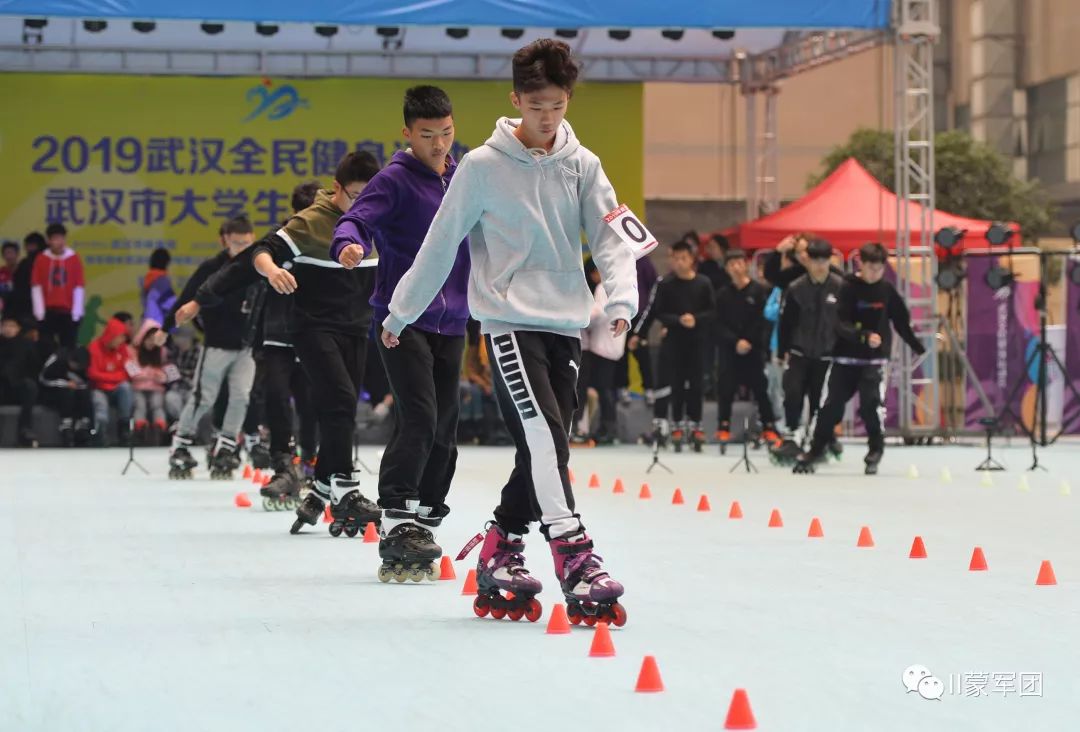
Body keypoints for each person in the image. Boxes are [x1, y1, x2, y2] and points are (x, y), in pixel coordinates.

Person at [381, 38, 637, 623]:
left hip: (565, 323)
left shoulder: (583, 164)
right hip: (508, 323)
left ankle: (501, 545)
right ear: (516, 99)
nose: (547, 118)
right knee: (544, 435)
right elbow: (440, 245)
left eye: (558, 106)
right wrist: (401, 313)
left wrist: (621, 299)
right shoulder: (481, 167)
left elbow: (610, 237)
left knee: (549, 443)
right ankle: (574, 552)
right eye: (537, 105)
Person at [178, 153, 383, 531]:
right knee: (321, 399)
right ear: (337, 188)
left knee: (339, 409)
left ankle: (320, 489)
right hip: (310, 328)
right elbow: (253, 257)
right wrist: (266, 273)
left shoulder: (377, 219)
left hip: (356, 329)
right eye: (356, 196)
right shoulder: (310, 223)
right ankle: (339, 487)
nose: (363, 204)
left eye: (370, 196)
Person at [333, 85, 470, 579]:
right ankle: (395, 514)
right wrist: (348, 245)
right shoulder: (393, 180)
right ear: (407, 133)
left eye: (446, 132)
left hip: (454, 320)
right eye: (428, 135)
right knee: (420, 417)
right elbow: (356, 220)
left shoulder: (463, 176)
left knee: (447, 425)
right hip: (401, 319)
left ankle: (426, 511)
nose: (439, 144)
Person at [193, 181, 321, 496]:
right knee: (275, 398)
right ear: (295, 214)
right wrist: (204, 295)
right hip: (277, 334)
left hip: (316, 335)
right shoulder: (279, 239)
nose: (312, 221)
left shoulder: (335, 237)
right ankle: (283, 465)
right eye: (305, 215)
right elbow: (241, 267)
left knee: (311, 402)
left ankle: (310, 460)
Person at [794, 241, 926, 475]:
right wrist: (863, 336)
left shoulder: (887, 291)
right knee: (831, 408)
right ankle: (815, 450)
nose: (875, 273)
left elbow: (901, 322)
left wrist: (917, 346)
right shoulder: (847, 288)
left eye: (879, 269)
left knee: (871, 406)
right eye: (871, 268)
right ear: (861, 264)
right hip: (845, 360)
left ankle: (875, 450)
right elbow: (839, 323)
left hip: (873, 363)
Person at [161, 216, 259, 478]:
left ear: (252, 239)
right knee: (204, 397)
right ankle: (180, 443)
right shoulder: (212, 268)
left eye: (246, 243)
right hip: (217, 343)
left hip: (246, 346)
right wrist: (165, 328)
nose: (241, 248)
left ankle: (226, 444)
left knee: (241, 396)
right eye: (236, 243)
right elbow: (187, 298)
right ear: (225, 240)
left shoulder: (257, 265)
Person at [770, 239, 845, 464]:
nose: (820, 266)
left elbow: (847, 321)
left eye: (824, 260)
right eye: (815, 260)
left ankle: (820, 438)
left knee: (820, 399)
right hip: (799, 351)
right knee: (792, 393)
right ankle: (791, 435)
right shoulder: (796, 288)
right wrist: (782, 352)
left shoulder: (841, 287)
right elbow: (785, 323)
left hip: (828, 353)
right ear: (807, 261)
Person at [642, 240, 715, 451]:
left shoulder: (703, 283)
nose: (679, 262)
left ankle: (696, 423)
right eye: (675, 258)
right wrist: (677, 320)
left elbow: (712, 311)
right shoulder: (666, 284)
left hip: (696, 341)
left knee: (696, 384)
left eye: (683, 258)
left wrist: (696, 319)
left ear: (692, 259)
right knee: (675, 382)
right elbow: (658, 312)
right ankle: (676, 422)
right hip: (673, 340)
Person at [714, 249, 781, 447]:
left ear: (746, 265)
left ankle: (769, 426)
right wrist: (735, 341)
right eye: (731, 264)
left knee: (760, 388)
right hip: (730, 349)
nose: (735, 267)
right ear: (726, 269)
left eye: (739, 263)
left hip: (753, 348)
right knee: (725, 387)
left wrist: (749, 341)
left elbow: (762, 320)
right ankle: (723, 426)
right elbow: (717, 323)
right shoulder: (722, 294)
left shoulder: (758, 291)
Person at [571, 258, 626, 445]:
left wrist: (579, 319)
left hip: (601, 345)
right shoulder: (618, 286)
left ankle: (606, 428)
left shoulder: (604, 287)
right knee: (601, 389)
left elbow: (599, 313)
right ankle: (604, 427)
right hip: (609, 344)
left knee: (600, 388)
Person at [32, 223, 85, 351]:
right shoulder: (41, 259)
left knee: (68, 347)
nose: (59, 242)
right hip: (48, 311)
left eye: (62, 238)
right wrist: (39, 313)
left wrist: (77, 312)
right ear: (49, 241)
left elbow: (79, 286)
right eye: (55, 239)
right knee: (45, 347)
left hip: (68, 311)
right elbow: (36, 286)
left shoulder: (73, 258)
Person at [87, 315, 135, 446]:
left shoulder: (122, 348)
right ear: (112, 335)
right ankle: (100, 435)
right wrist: (114, 377)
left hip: (115, 388)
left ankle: (124, 429)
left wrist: (109, 378)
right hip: (98, 388)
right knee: (100, 403)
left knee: (126, 388)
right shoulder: (94, 347)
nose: (123, 340)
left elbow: (127, 372)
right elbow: (92, 373)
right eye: (121, 336)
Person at [39, 343, 94, 446]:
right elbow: (43, 378)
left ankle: (82, 427)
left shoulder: (85, 363)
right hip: (52, 390)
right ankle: (66, 427)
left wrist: (79, 386)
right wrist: (65, 383)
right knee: (67, 393)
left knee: (85, 394)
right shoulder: (58, 358)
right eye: (75, 365)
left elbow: (86, 382)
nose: (76, 368)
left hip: (76, 390)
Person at [0, 314, 40, 446]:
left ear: (18, 328)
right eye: (5, 325)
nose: (8, 329)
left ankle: (25, 429)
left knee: (30, 386)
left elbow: (34, 367)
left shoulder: (26, 345)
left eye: (11, 326)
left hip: (18, 385)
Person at [131, 327, 171, 445]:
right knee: (140, 406)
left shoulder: (163, 352)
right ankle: (140, 430)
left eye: (154, 340)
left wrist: (161, 376)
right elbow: (133, 372)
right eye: (149, 339)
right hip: (138, 387)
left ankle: (160, 429)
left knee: (157, 405)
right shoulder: (134, 352)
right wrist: (150, 374)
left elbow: (168, 374)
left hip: (156, 388)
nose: (151, 342)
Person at [135, 248, 177, 345]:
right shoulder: (161, 281)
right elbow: (170, 305)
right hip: (160, 327)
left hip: (148, 324)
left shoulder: (148, 279)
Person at [7, 233, 44, 323]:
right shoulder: (25, 262)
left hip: (36, 306)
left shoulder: (46, 261)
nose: (28, 248)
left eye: (31, 245)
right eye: (27, 245)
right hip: (25, 307)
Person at [0, 241, 19, 312]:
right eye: (6, 253)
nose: (9, 256)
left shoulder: (24, 271)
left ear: (17, 254)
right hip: (5, 311)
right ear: (3, 256)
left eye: (11, 253)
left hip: (22, 310)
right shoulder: (1, 272)